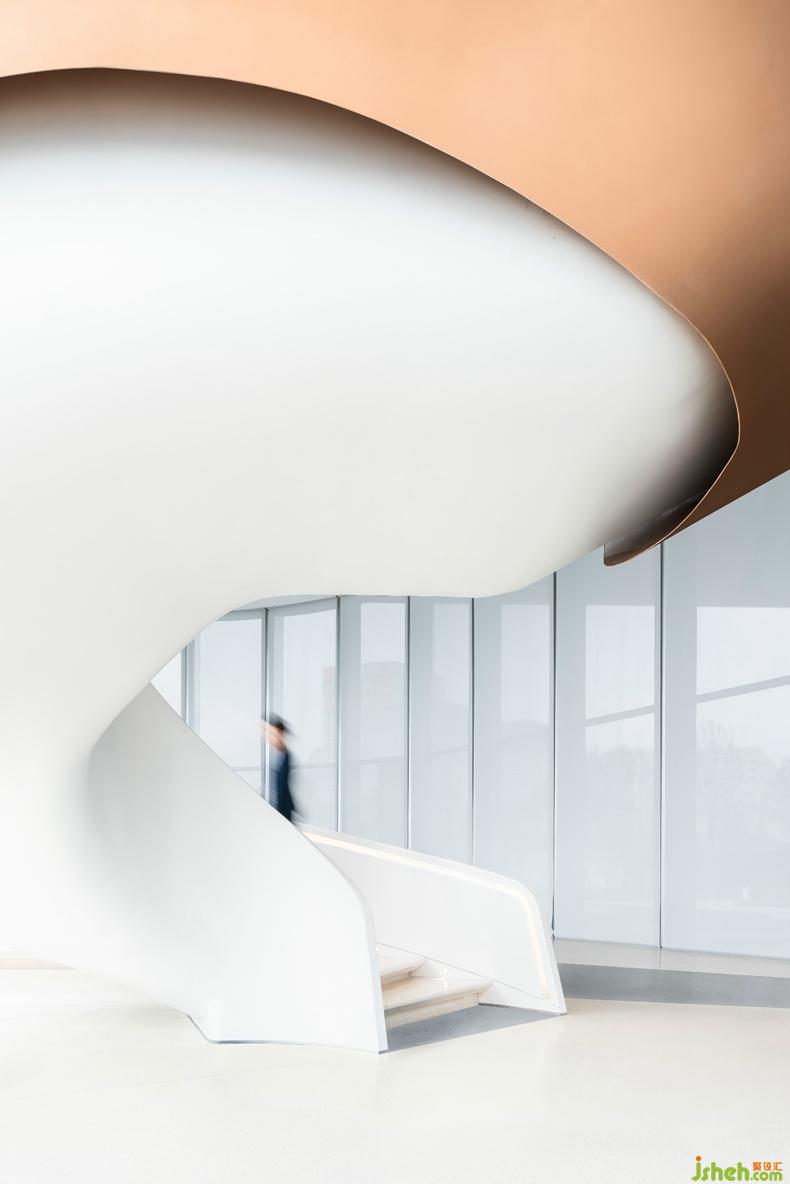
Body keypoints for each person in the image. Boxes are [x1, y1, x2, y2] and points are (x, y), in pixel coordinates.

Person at [263, 715, 295, 822]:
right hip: (281, 808)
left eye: (273, 734)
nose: (269, 737)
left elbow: (282, 787)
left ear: (280, 734)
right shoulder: (279, 754)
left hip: (283, 810)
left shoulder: (285, 756)